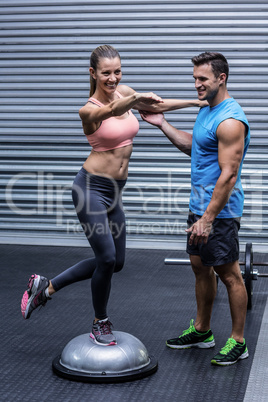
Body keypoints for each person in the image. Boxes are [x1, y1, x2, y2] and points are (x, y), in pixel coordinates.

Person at [20, 45, 205, 346]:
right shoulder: (89, 109)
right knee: (105, 258)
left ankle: (45, 287)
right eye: (106, 73)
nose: (113, 78)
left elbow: (156, 106)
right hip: (89, 189)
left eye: (117, 71)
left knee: (115, 262)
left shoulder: (125, 93)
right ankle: (100, 321)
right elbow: (111, 111)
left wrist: (196, 102)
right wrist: (133, 98)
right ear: (93, 73)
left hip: (114, 194)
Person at [140, 52, 250, 366]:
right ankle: (202, 330)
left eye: (202, 79)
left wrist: (208, 218)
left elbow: (228, 174)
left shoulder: (230, 119)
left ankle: (238, 341)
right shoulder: (207, 110)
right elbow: (195, 145)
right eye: (195, 79)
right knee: (200, 268)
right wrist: (162, 123)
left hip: (220, 212)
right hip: (199, 206)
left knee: (229, 275)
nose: (197, 84)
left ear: (221, 78)